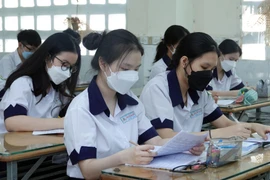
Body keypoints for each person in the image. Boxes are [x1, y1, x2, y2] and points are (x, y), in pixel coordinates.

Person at [64, 29, 204, 179]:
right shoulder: (81, 108)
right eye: (125, 68)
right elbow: (88, 170)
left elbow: (155, 141)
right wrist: (123, 157)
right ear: (103, 64)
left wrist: (186, 146)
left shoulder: (131, 102)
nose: (131, 75)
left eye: (136, 69)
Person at [140, 32, 270, 139]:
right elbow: (165, 136)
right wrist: (215, 134)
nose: (208, 74)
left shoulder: (198, 91)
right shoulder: (158, 89)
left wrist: (254, 127)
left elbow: (225, 123)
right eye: (204, 67)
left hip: (191, 159)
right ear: (184, 61)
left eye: (212, 69)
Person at [0, 33, 81, 134]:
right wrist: (60, 123)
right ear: (47, 57)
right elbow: (12, 122)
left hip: (37, 143)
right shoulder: (23, 83)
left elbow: (74, 112)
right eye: (64, 64)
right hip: (10, 145)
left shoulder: (59, 88)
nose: (67, 71)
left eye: (70, 67)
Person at [0, 29, 41, 97]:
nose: (33, 53)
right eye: (30, 49)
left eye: (36, 50)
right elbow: (8, 85)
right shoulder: (7, 60)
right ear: (20, 44)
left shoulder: (32, 60)